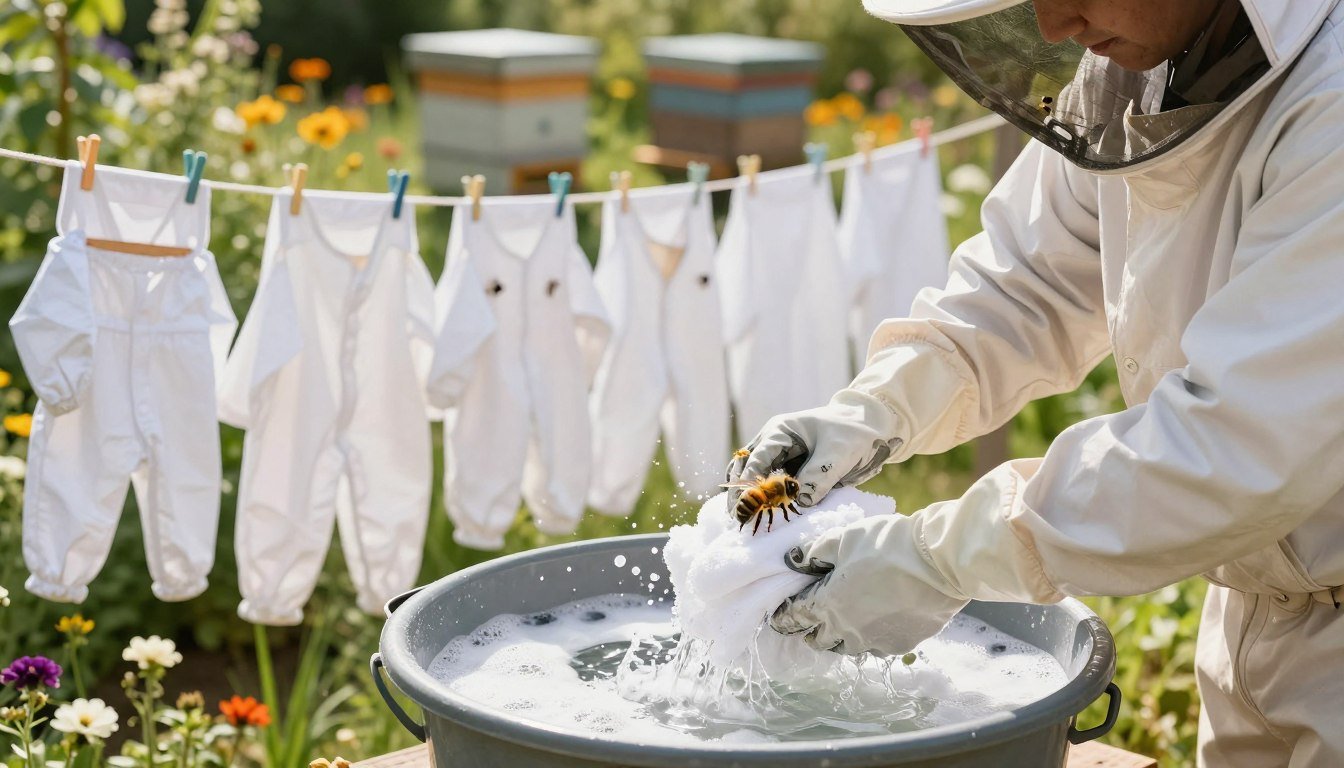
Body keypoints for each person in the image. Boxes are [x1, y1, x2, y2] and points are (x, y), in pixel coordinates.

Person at [726, 1, 1344, 764]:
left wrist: (941, 557)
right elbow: (1027, 283)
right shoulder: (1138, 69)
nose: (1052, 25)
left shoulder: (1334, 99)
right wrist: (874, 408)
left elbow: (1237, 444)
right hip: (1254, 616)